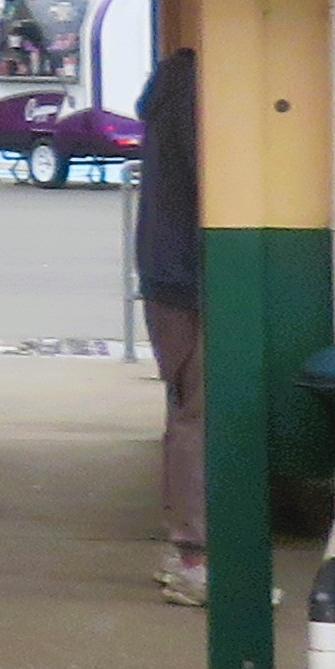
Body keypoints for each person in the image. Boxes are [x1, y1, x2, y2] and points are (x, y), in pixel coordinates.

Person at [139, 44, 205, 603]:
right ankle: (195, 557)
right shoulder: (201, 91)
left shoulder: (173, 84)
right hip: (194, 272)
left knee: (187, 410)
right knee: (200, 417)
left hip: (168, 271)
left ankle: (187, 551)